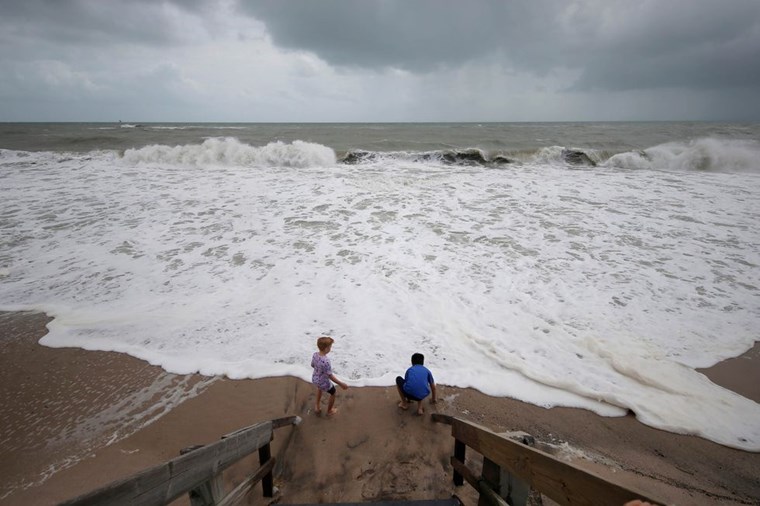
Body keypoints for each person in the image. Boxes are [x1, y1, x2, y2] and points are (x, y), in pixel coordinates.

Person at [311, 336, 348, 416]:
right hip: (323, 382)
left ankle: (317, 406)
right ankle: (329, 411)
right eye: (330, 347)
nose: (331, 348)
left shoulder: (315, 355)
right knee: (333, 393)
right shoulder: (326, 361)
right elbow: (330, 376)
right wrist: (341, 384)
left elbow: (312, 365)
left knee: (319, 389)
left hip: (315, 378)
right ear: (326, 348)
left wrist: (319, 371)